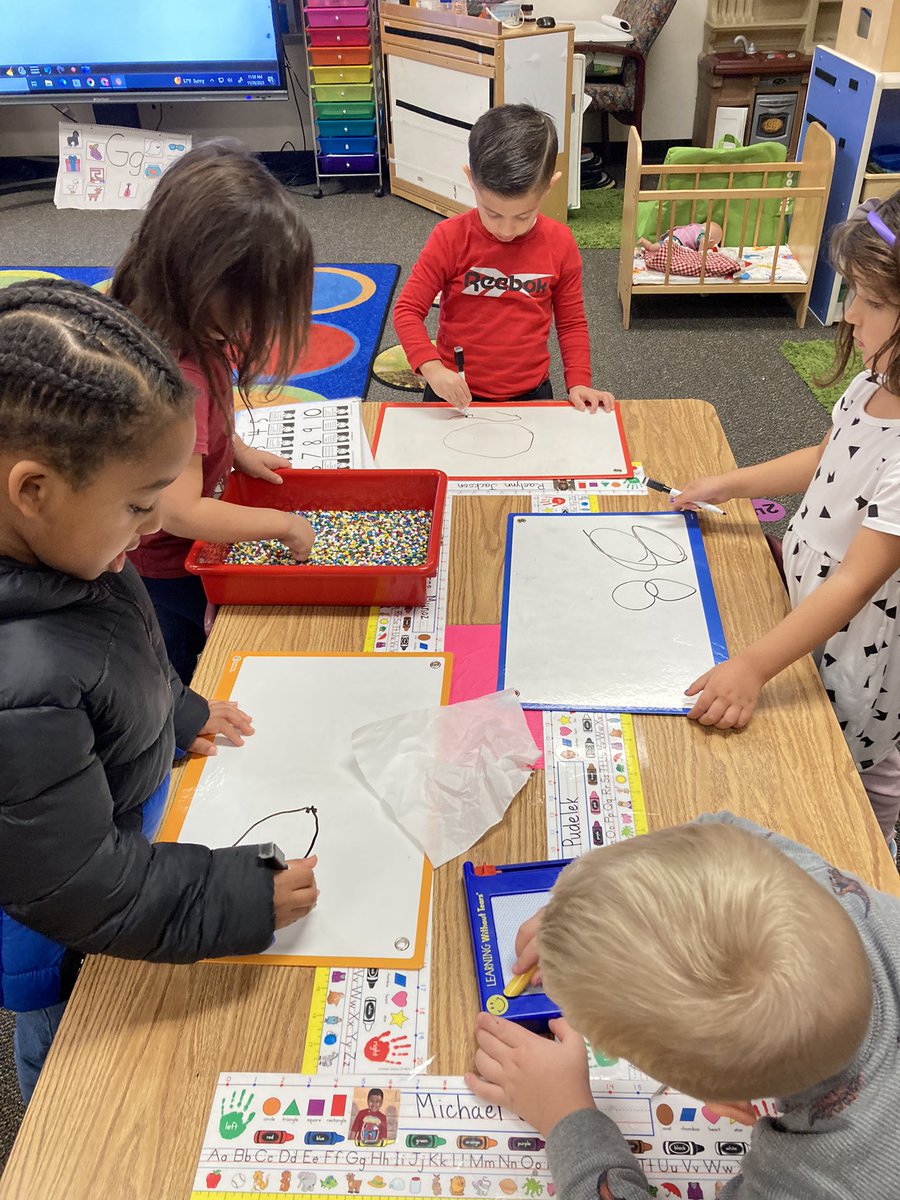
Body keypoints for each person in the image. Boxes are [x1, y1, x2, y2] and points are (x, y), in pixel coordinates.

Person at [0, 280, 318, 1103]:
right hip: (56, 931)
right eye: (140, 507)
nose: (153, 530)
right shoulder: (14, 685)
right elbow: (76, 885)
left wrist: (177, 711)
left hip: (124, 831)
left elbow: (117, 657)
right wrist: (238, 896)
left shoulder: (74, 548)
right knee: (75, 1064)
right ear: (32, 491)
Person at [467, 814, 900, 1197]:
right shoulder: (801, 878)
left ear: (715, 1097)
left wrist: (567, 1115)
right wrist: (584, 911)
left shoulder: (815, 1179)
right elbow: (713, 831)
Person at [673, 195, 900, 847]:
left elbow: (856, 584)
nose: (849, 315)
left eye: (873, 302)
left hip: (858, 655)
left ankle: (872, 863)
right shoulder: (872, 381)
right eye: (854, 293)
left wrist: (751, 667)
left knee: (862, 779)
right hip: (810, 620)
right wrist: (731, 483)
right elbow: (827, 458)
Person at [110, 141, 317, 683]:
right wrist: (282, 526)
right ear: (206, 282)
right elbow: (178, 511)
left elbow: (197, 436)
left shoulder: (189, 322)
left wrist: (237, 451)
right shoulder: (182, 378)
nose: (261, 320)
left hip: (177, 547)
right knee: (182, 663)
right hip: (169, 566)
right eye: (257, 303)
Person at [393, 104, 615, 413]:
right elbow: (407, 311)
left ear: (548, 188)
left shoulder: (560, 243)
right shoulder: (449, 238)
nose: (507, 230)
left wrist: (578, 381)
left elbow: (571, 322)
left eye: (523, 216)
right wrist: (431, 368)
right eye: (493, 214)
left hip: (531, 392)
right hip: (453, 391)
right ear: (471, 180)